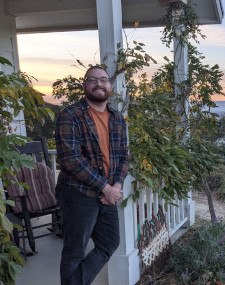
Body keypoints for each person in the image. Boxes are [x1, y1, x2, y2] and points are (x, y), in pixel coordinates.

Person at [55, 66, 129, 285]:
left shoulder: (117, 118)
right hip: (77, 194)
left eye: (104, 80)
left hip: (107, 193)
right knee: (74, 251)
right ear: (85, 84)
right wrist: (105, 188)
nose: (99, 84)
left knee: (109, 243)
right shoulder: (70, 115)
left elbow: (124, 157)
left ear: (110, 86)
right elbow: (71, 160)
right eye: (93, 80)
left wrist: (116, 185)